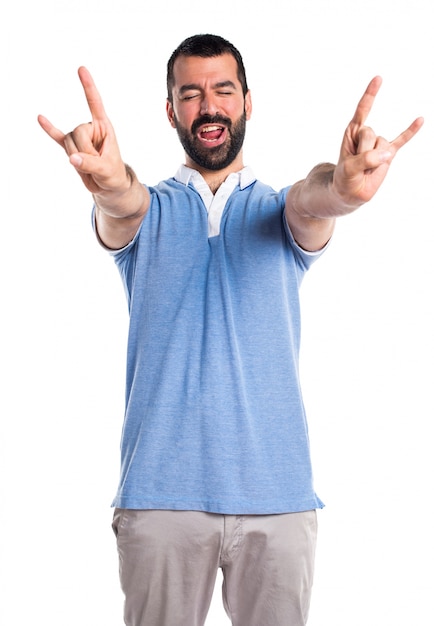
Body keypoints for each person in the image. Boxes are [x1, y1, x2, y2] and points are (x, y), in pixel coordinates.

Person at [38, 34, 423, 626]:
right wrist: (109, 181)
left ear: (247, 102)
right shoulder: (148, 212)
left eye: (223, 90)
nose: (209, 106)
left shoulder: (279, 208)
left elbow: (316, 199)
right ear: (171, 112)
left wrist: (344, 188)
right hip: (160, 499)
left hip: (278, 500)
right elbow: (121, 200)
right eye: (190, 94)